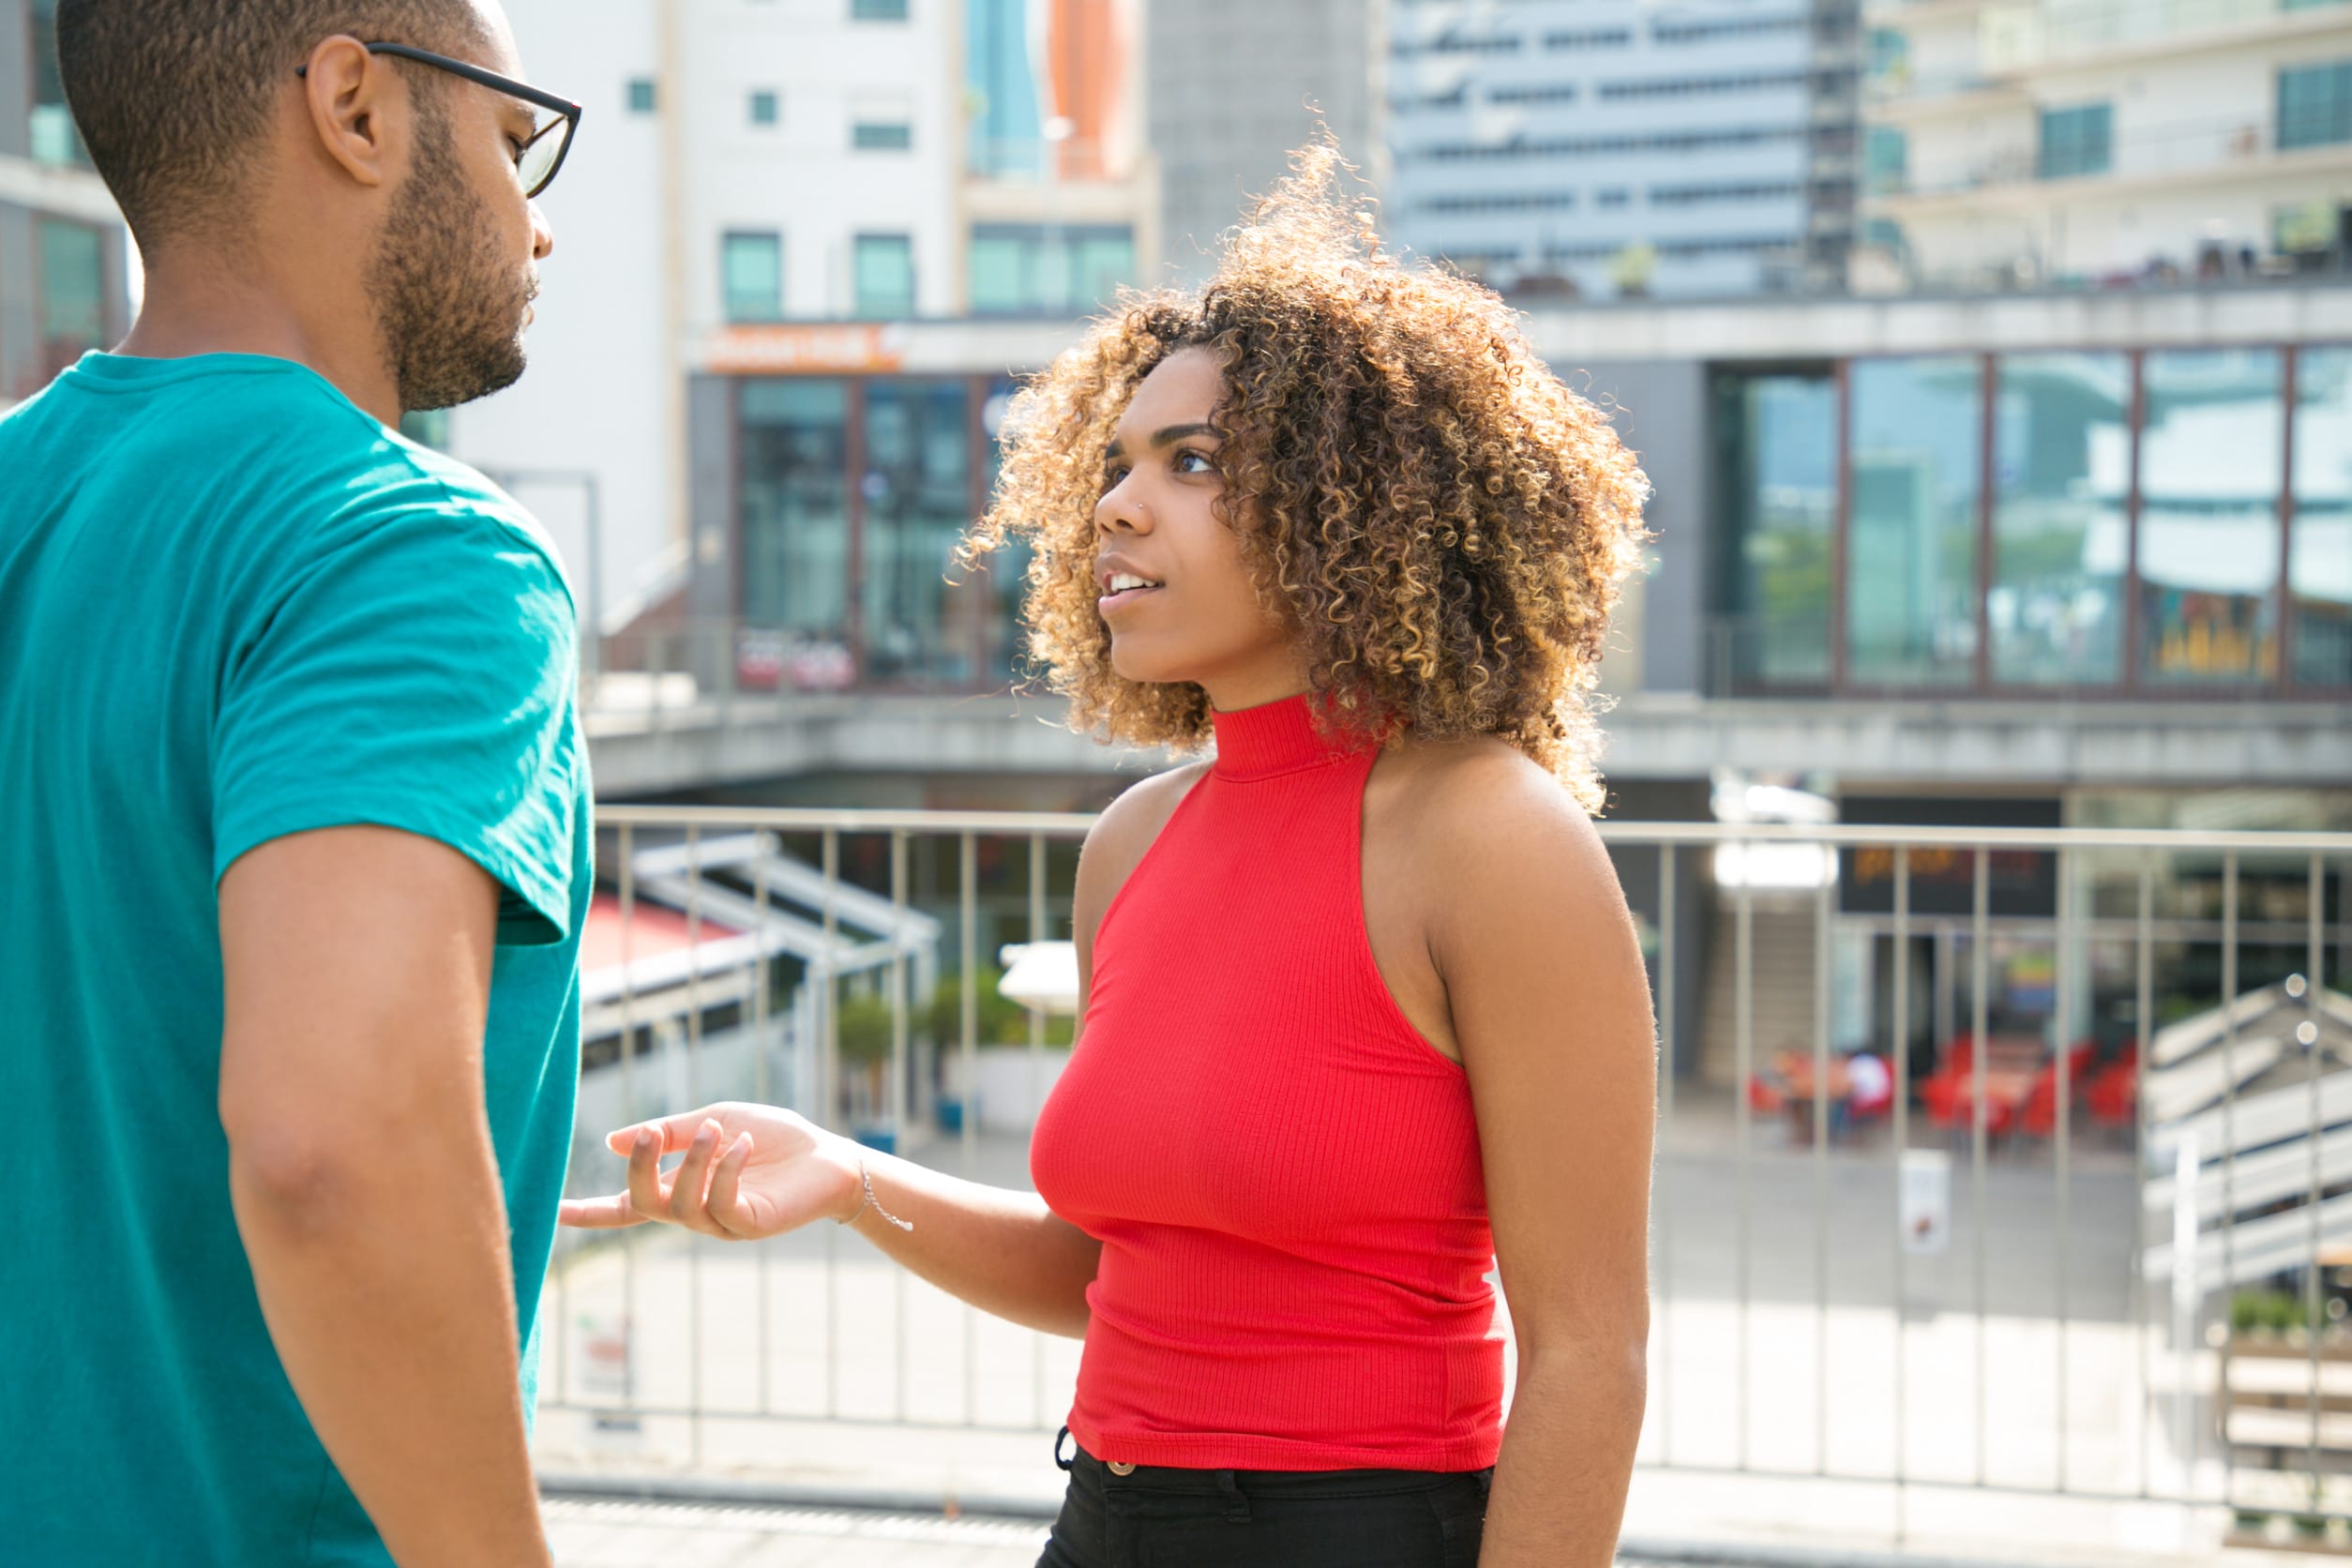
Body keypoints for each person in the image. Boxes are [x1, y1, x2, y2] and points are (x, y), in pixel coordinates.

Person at [564, 149, 1657, 1568]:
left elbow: (1590, 1356)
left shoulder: (1494, 837)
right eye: (1118, 463)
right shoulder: (1132, 843)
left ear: (1357, 501)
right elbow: (1112, 1273)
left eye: (1192, 463)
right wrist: (843, 1172)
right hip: (1101, 1523)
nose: (1116, 508)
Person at [0, 3, 587, 1562]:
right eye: (517, 140)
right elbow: (336, 1148)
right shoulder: (406, 553)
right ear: (356, 107)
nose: (539, 225)